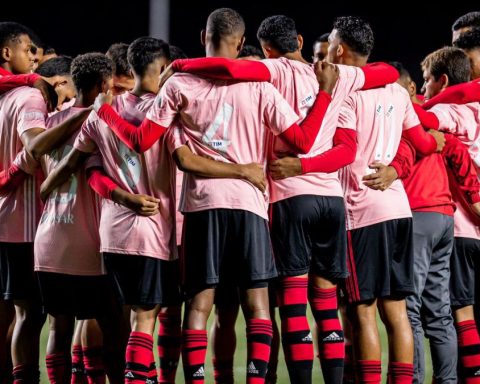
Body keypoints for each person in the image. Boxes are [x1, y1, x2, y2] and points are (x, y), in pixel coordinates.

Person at [93, 8, 339, 383]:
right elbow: (302, 141)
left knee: (199, 305)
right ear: (241, 43)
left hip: (202, 206)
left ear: (202, 36)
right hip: (249, 204)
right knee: (257, 305)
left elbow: (143, 141)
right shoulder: (260, 86)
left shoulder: (177, 84)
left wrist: (105, 113)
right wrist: (323, 93)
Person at [163, 13, 400, 384]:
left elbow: (228, 69)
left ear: (266, 49)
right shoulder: (340, 75)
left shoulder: (269, 72)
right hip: (332, 201)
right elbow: (381, 82)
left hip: (287, 197)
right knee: (325, 304)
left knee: (288, 304)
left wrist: (179, 65)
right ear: (302, 42)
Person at [0, 22, 91, 383]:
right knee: (34, 315)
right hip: (24, 221)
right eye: (28, 50)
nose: (34, 58)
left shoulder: (6, 96)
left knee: (13, 313)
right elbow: (35, 145)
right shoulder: (29, 98)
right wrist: (82, 115)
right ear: (8, 52)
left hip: (6, 219)